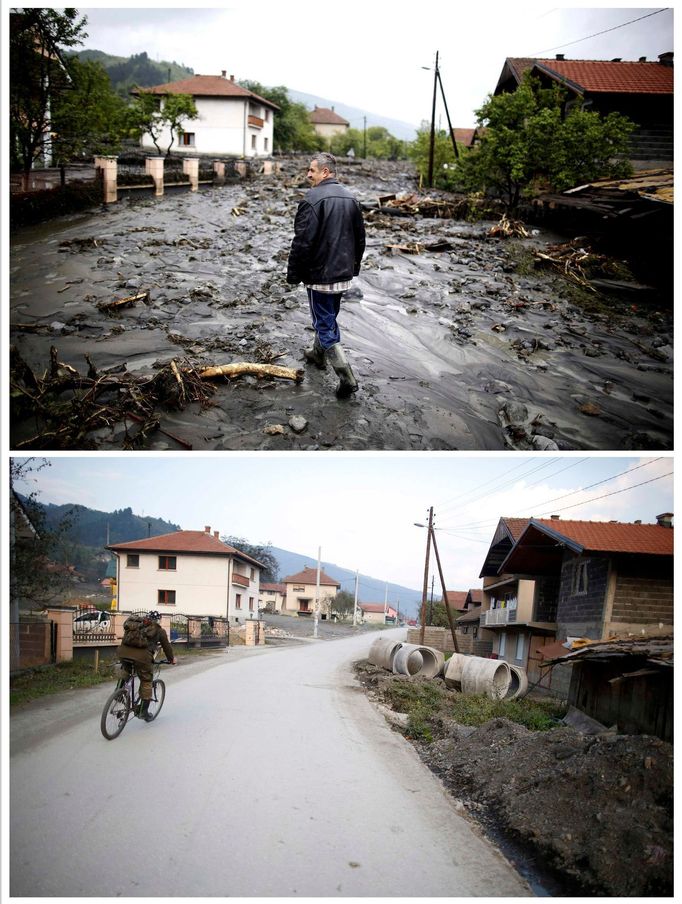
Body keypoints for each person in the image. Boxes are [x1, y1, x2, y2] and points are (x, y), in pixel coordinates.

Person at [286, 152, 366, 398]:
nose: (308, 174)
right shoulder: (351, 198)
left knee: (324, 324)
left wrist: (293, 273)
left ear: (326, 172)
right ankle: (317, 354)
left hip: (319, 277)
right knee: (328, 318)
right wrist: (353, 268)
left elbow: (302, 242)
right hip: (342, 275)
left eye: (312, 170)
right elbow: (360, 238)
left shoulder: (312, 198)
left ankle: (346, 377)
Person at [116, 610, 176, 722]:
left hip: (123, 652)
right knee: (147, 681)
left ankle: (118, 692)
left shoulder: (136, 625)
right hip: (142, 658)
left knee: (126, 669)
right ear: (158, 620)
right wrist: (171, 659)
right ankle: (142, 711)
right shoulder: (159, 631)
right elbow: (166, 647)